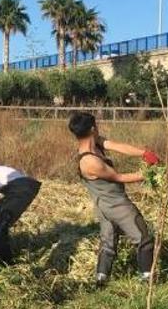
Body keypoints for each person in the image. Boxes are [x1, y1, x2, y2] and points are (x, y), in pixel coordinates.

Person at [68, 112, 160, 286]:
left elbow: (116, 146)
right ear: (93, 128)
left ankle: (101, 280)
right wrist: (149, 174)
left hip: (102, 205)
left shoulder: (94, 143)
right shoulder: (89, 161)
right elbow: (119, 177)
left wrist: (144, 153)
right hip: (115, 204)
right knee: (143, 237)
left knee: (108, 242)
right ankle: (148, 280)